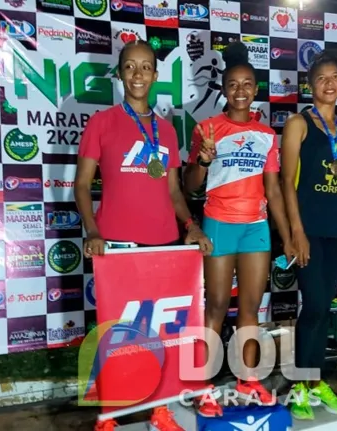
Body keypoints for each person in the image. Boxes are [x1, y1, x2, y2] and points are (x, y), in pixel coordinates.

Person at [74, 40, 213, 431]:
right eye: (130, 67)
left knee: (161, 336)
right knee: (116, 334)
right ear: (119, 74)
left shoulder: (167, 130)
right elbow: (82, 185)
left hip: (163, 246)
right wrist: (94, 231)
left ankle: (160, 409)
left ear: (155, 74)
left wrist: (191, 226)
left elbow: (172, 191)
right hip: (116, 248)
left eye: (146, 67)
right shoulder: (100, 123)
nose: (138, 74)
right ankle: (110, 415)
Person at [183, 42, 295, 416]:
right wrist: (202, 159)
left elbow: (274, 190)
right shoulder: (207, 128)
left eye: (247, 84)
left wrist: (288, 234)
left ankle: (249, 380)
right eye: (233, 84)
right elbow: (190, 186)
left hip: (256, 228)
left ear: (255, 89)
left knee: (250, 309)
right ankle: (204, 385)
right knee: (215, 307)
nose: (241, 90)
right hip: (219, 223)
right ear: (224, 89)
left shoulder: (267, 135)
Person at [279, 50, 337, 419]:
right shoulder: (298, 124)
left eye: (335, 78)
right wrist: (296, 230)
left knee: (323, 307)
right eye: (321, 78)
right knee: (313, 305)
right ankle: (302, 382)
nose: (329, 84)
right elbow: (286, 181)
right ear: (310, 86)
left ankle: (314, 383)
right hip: (309, 229)